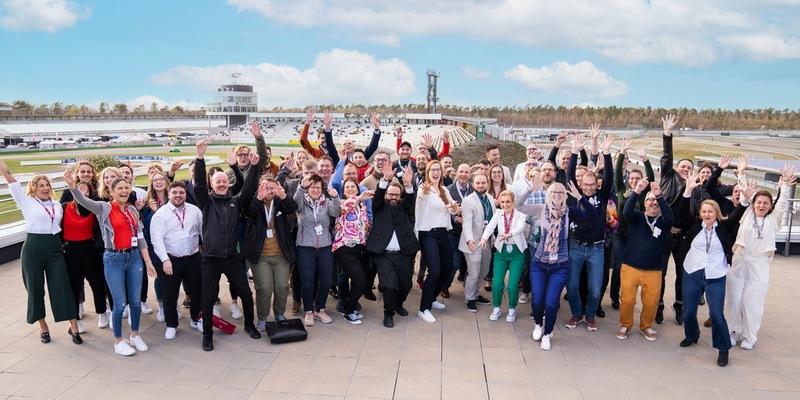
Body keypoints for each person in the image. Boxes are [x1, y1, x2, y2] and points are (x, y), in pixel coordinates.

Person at [65, 168, 157, 355]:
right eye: (120, 188)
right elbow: (84, 201)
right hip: (114, 258)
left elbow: (140, 237)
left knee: (136, 302)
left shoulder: (132, 209)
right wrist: (73, 187)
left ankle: (134, 335)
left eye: (126, 187)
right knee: (120, 303)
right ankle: (118, 341)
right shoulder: (104, 208)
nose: (124, 191)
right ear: (111, 192)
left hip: (134, 258)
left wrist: (147, 261)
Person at [676, 165, 753, 367]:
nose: (707, 214)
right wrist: (687, 191)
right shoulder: (694, 226)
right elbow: (682, 214)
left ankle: (723, 348)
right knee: (689, 311)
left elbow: (738, 213)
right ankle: (692, 335)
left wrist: (745, 198)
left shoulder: (724, 227)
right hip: (693, 272)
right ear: (700, 213)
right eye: (704, 211)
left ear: (716, 213)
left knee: (717, 314)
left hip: (715, 274)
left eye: (711, 211)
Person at [0, 160, 82, 345]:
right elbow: (10, 176)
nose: (45, 188)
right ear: (33, 188)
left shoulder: (56, 204)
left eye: (47, 185)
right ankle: (43, 327)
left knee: (62, 286)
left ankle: (74, 327)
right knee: (35, 289)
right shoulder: (25, 201)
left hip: (54, 247)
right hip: (33, 247)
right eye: (40, 185)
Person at [194, 140, 263, 351]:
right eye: (218, 182)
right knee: (207, 299)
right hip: (211, 259)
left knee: (246, 294)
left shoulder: (235, 202)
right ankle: (207, 335)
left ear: (228, 184)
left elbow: (249, 187)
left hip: (233, 257)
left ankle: (249, 325)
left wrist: (254, 167)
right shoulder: (206, 202)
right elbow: (198, 185)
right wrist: (200, 158)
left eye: (224, 181)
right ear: (212, 184)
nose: (222, 184)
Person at [515, 177, 596, 351]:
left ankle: (547, 334)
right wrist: (530, 190)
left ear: (564, 196)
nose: (557, 195)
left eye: (560, 192)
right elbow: (518, 206)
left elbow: (592, 216)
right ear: (548, 195)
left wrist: (581, 197)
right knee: (537, 301)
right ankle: (538, 324)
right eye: (553, 192)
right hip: (539, 264)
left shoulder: (569, 212)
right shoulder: (541, 209)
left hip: (560, 266)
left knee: (551, 303)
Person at [727, 164, 796, 350]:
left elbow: (782, 202)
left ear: (770, 206)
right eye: (759, 202)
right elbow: (745, 195)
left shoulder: (773, 219)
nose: (762, 205)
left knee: (752, 302)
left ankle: (750, 335)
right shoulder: (747, 214)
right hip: (740, 259)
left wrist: (787, 183)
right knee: (734, 299)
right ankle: (733, 331)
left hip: (759, 263)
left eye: (766, 203)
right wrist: (741, 173)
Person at [564, 131, 614, 332]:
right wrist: (574, 152)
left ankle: (590, 316)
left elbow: (609, 176)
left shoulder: (602, 197)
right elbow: (568, 175)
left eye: (592, 184)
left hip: (596, 249)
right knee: (573, 286)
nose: (589, 188)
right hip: (576, 246)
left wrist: (607, 154)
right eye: (585, 184)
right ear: (580, 184)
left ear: (597, 185)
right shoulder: (573, 195)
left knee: (595, 289)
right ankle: (577, 313)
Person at [617, 179, 674, 342]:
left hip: (653, 270)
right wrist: (636, 192)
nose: (653, 203)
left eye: (656, 200)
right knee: (627, 300)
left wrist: (659, 196)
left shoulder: (663, 222)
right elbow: (626, 210)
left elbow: (670, 217)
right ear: (644, 203)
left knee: (651, 302)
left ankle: (646, 326)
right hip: (630, 266)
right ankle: (625, 325)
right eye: (650, 200)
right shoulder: (636, 217)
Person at [148, 181, 204, 340]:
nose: (178, 195)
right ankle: (171, 324)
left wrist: (203, 249)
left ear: (185, 194)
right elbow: (156, 240)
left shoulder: (195, 211)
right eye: (175, 193)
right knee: (170, 294)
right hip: (171, 260)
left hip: (193, 257)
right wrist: (165, 260)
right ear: (169, 194)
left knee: (196, 291)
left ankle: (196, 318)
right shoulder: (161, 214)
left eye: (181, 192)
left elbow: (202, 231)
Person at [366, 161, 417, 328]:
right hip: (384, 254)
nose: (393, 197)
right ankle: (388, 313)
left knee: (406, 284)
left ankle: (398, 305)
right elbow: (379, 197)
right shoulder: (380, 206)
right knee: (389, 286)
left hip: (404, 254)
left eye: (396, 195)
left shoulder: (405, 207)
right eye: (390, 194)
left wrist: (408, 184)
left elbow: (410, 201)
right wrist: (385, 179)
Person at [244, 175, 297, 330]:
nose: (269, 191)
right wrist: (258, 199)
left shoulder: (280, 201)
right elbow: (248, 212)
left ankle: (280, 314)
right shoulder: (254, 201)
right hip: (260, 255)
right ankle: (262, 317)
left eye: (271, 188)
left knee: (282, 287)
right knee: (264, 288)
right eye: (266, 188)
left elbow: (292, 208)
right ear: (260, 188)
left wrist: (284, 196)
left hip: (281, 254)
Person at [658, 114, 694, 325]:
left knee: (682, 274)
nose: (686, 169)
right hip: (664, 234)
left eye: (689, 167)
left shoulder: (695, 188)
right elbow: (666, 156)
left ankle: (679, 306)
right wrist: (667, 134)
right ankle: (659, 306)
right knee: (660, 273)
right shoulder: (668, 176)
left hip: (683, 238)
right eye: (683, 166)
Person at [611, 139, 655, 310]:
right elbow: (616, 174)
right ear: (628, 179)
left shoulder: (643, 195)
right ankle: (615, 296)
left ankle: (628, 296)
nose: (635, 180)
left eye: (638, 178)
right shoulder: (622, 191)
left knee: (634, 270)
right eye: (633, 178)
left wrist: (645, 159)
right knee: (618, 266)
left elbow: (650, 177)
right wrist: (621, 153)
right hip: (620, 235)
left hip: (637, 237)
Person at [415, 160, 460, 323]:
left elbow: (451, 209)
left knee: (447, 268)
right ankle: (423, 308)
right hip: (428, 234)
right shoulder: (423, 188)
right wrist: (426, 190)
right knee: (434, 271)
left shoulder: (444, 190)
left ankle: (432, 297)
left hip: (443, 233)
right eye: (432, 170)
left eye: (438, 170)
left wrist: (454, 208)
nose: (435, 172)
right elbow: (423, 195)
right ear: (427, 172)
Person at [294, 173, 341, 326]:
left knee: (326, 280)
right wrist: (301, 187)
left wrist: (335, 198)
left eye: (318, 187)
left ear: (322, 189)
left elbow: (336, 212)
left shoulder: (326, 202)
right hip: (305, 247)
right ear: (308, 188)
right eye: (312, 187)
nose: (315, 189)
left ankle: (320, 309)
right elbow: (294, 204)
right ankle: (308, 311)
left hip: (325, 246)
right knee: (307, 282)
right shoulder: (302, 202)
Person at [479, 190, 527, 322]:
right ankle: (497, 307)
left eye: (508, 202)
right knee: (497, 284)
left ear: (513, 202)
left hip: (517, 252)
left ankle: (512, 308)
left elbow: (520, 227)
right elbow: (490, 227)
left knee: (512, 286)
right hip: (501, 251)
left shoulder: (520, 214)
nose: (505, 205)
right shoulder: (498, 213)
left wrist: (510, 234)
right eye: (502, 202)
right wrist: (484, 238)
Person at [332, 178, 374, 324]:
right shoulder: (341, 203)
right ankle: (348, 311)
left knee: (364, 280)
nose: (350, 189)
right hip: (344, 249)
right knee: (360, 281)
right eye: (347, 187)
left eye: (353, 187)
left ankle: (350, 307)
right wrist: (360, 197)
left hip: (359, 250)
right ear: (343, 191)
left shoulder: (362, 206)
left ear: (357, 189)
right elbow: (346, 207)